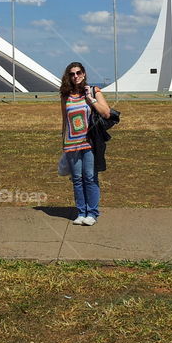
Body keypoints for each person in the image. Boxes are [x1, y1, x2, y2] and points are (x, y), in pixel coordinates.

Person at [60, 62, 110, 226]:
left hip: (89, 142)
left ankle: (92, 213)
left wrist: (90, 99)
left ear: (84, 73)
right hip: (71, 143)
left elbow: (106, 112)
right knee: (77, 178)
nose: (75, 76)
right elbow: (64, 121)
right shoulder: (65, 96)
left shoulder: (94, 91)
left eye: (78, 73)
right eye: (72, 74)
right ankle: (81, 212)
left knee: (89, 177)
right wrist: (63, 143)